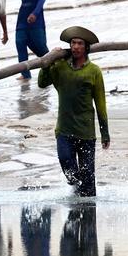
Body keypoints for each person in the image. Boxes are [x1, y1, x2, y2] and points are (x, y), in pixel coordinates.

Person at [37, 26, 110, 196]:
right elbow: (42, 83)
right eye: (73, 43)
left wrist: (104, 133)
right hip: (64, 130)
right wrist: (47, 63)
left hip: (86, 133)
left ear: (86, 48)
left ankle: (89, 210)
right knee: (67, 165)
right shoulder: (61, 67)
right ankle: (77, 192)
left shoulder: (94, 72)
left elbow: (100, 104)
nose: (76, 47)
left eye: (79, 43)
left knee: (88, 178)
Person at [14, 0, 48, 81]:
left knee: (40, 46)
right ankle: (25, 74)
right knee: (20, 41)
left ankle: (51, 67)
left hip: (36, 18)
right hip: (22, 18)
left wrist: (35, 13)